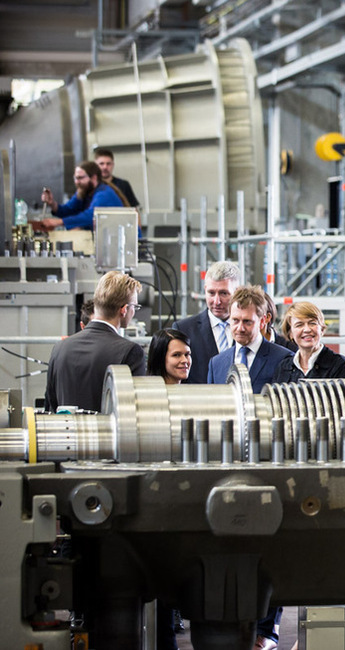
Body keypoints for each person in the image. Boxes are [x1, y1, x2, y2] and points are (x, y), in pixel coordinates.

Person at [146, 328, 191, 650]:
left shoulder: (189, 393)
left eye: (187, 354)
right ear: (160, 358)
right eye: (176, 355)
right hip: (158, 501)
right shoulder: (151, 397)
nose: (184, 360)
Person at [44, 271, 145, 412]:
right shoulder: (130, 352)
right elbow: (133, 412)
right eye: (134, 306)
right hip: (106, 433)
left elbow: (50, 407)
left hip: (66, 432)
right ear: (124, 310)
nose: (134, 311)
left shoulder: (60, 348)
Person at [206, 285, 293, 394]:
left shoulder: (283, 359)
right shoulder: (216, 364)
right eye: (235, 320)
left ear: (262, 321)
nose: (240, 328)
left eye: (247, 322)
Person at [173, 261, 241, 384]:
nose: (216, 301)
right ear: (205, 290)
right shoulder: (184, 330)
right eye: (211, 293)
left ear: (237, 292)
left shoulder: (250, 330)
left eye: (223, 293)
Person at [36, 160, 124, 231]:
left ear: (93, 178)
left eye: (80, 178)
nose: (77, 182)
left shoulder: (104, 194)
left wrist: (59, 222)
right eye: (75, 178)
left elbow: (91, 216)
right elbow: (68, 210)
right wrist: (52, 204)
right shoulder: (83, 192)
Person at [273, 302, 345, 382]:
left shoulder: (338, 364)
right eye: (299, 325)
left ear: (322, 329)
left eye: (312, 323)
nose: (307, 329)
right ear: (290, 333)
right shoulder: (283, 367)